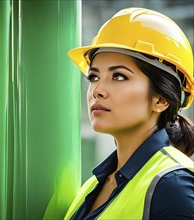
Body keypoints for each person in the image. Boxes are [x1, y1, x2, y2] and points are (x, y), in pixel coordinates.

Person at [64, 7, 194, 220]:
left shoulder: (173, 187)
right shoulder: (91, 186)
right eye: (94, 77)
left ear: (161, 100)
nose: (98, 90)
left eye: (119, 77)